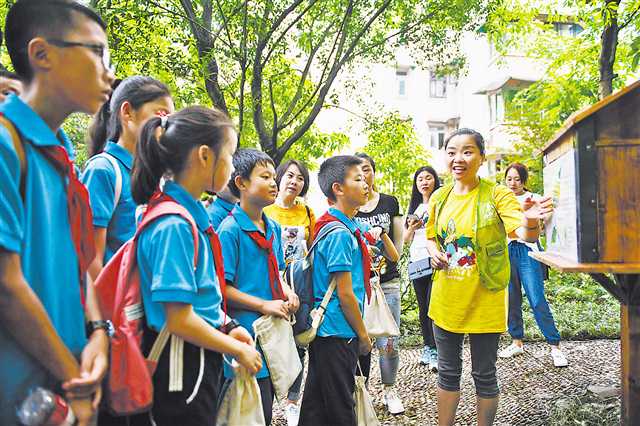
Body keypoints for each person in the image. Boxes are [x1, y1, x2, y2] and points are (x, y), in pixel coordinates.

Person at [0, 2, 116, 425]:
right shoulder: (5, 143)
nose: (108, 73)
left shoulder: (61, 152)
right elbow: (6, 285)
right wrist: (76, 382)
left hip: (64, 390)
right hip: (21, 396)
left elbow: (80, 260)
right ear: (41, 53)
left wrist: (99, 332)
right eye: (96, 53)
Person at [130, 107, 262, 426]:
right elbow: (178, 318)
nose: (231, 168)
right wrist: (235, 347)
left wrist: (229, 326)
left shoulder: (187, 218)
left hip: (194, 361)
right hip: (178, 369)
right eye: (229, 155)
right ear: (205, 156)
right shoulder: (174, 224)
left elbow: (202, 299)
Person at [426, 129, 553, 426]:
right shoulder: (439, 197)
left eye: (468, 151)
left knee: (484, 374)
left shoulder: (497, 194)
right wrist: (433, 251)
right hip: (446, 301)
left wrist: (532, 219)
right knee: (447, 372)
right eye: (452, 151)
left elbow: (523, 232)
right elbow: (431, 236)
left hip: (486, 299)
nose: (459, 158)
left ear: (482, 157)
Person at [218, 148, 300, 425]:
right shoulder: (230, 230)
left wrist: (288, 292)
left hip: (271, 338)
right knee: (244, 414)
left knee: (264, 411)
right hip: (243, 338)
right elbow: (223, 289)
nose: (274, 183)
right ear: (241, 183)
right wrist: (264, 304)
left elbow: (277, 271)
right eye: (264, 176)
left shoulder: (273, 228)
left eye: (273, 176)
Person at [299, 155, 373, 426]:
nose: (366, 184)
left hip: (326, 329)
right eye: (358, 179)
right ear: (337, 189)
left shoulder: (334, 225)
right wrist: (363, 336)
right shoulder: (340, 233)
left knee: (316, 406)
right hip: (339, 330)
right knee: (342, 407)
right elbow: (345, 293)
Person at [82, 76, 174, 281]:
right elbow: (91, 260)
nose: (165, 125)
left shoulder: (156, 178)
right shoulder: (103, 170)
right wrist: (102, 312)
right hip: (115, 306)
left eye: (169, 120)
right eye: (160, 114)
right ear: (127, 112)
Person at [498, 162, 568, 367]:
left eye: (517, 179)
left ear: (524, 180)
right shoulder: (501, 200)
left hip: (528, 251)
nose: (512, 183)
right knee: (512, 299)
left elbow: (547, 226)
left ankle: (555, 346)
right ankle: (516, 342)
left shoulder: (534, 199)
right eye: (509, 179)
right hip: (506, 251)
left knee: (536, 298)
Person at [263, 159, 315, 426]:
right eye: (290, 176)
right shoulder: (265, 211)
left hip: (300, 282)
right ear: (279, 178)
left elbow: (313, 250)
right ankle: (268, 401)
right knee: (272, 340)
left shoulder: (306, 212)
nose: (294, 182)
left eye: (301, 178)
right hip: (272, 282)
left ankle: (293, 402)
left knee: (299, 342)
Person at [353, 152, 404, 415]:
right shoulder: (349, 204)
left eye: (367, 169)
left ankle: (389, 390)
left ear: (374, 171)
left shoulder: (389, 202)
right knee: (361, 339)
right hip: (358, 284)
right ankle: (359, 390)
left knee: (388, 339)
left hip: (387, 282)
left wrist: (382, 237)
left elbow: (398, 245)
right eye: (357, 171)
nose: (363, 176)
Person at [403, 165, 441, 371]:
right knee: (423, 307)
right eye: (420, 179)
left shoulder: (440, 203)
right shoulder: (414, 209)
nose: (424, 182)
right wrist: (411, 228)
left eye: (428, 178)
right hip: (417, 261)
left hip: (435, 260)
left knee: (433, 305)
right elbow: (406, 241)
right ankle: (428, 347)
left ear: (435, 180)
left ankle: (437, 349)